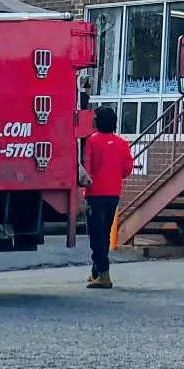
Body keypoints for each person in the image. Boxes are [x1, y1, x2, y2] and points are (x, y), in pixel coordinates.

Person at [81, 105, 131, 289]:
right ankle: (96, 271)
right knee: (105, 234)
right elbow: (127, 169)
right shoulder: (122, 143)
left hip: (95, 193)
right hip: (113, 193)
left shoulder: (92, 141)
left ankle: (103, 273)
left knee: (96, 235)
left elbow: (87, 166)